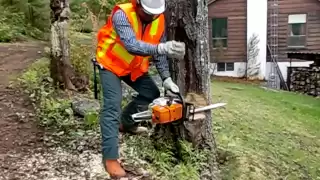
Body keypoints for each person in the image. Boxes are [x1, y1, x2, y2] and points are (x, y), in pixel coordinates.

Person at [95, 0, 186, 178]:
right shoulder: (123, 13)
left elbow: (158, 53)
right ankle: (110, 159)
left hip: (132, 67)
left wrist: (166, 78)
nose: (151, 17)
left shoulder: (158, 20)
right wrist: (162, 47)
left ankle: (127, 123)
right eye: (147, 13)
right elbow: (131, 45)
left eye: (155, 14)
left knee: (151, 93)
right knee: (112, 105)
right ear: (137, 4)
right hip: (110, 63)